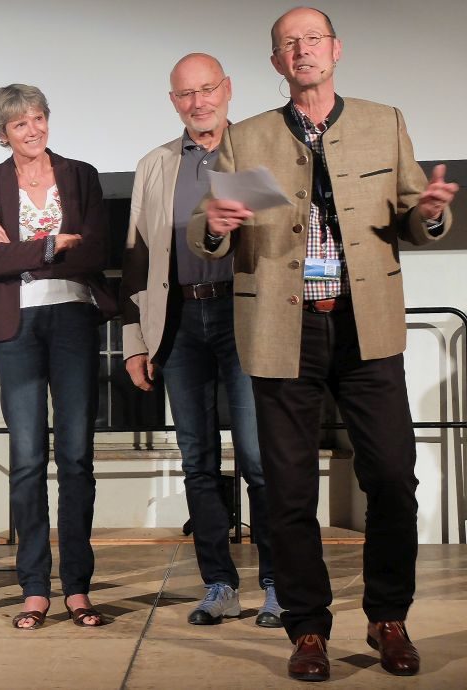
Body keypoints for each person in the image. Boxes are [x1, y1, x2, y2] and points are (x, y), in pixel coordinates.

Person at [188, 7, 458, 681]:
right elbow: (207, 228)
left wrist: (429, 213)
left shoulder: (381, 121)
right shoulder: (246, 137)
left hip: (367, 325)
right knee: (287, 490)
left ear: (334, 50)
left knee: (394, 477)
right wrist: (216, 225)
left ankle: (387, 617)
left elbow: (412, 210)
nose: (303, 51)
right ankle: (307, 629)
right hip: (284, 326)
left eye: (313, 39)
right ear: (276, 63)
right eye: (289, 44)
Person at [122, 54, 279, 628]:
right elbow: (136, 259)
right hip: (181, 324)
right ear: (174, 101)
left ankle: (277, 582)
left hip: (247, 321)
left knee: (260, 458)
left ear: (228, 90)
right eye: (186, 94)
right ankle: (219, 584)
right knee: (198, 460)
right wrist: (135, 341)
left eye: (207, 89)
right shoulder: (155, 165)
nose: (199, 102)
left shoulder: (258, 150)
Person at [0, 84, 117, 630]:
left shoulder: (80, 174)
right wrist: (57, 244)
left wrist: (23, 249)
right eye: (19, 124)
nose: (33, 130)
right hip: (16, 326)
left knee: (76, 457)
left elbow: (99, 248)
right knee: (28, 459)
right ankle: (34, 587)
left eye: (38, 118)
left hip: (74, 319)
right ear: (2, 132)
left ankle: (77, 586)